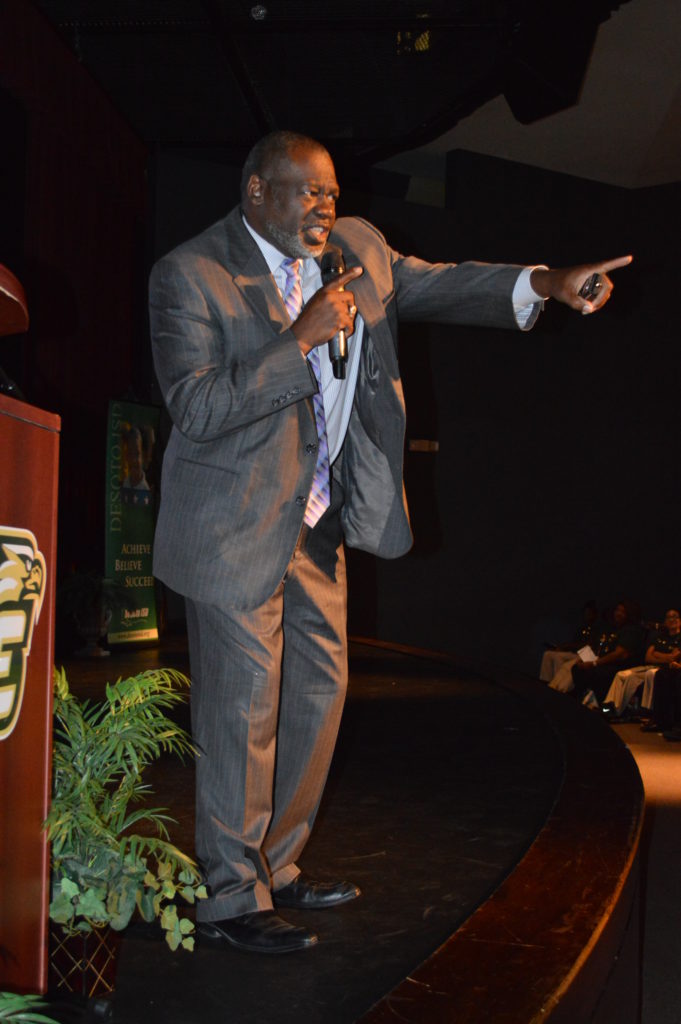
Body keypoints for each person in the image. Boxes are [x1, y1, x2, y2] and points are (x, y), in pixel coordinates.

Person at [149, 130, 631, 954]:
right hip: (232, 527)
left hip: (319, 520)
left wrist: (546, 283)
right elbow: (195, 408)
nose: (325, 206)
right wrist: (295, 339)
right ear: (255, 192)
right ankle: (230, 897)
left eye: (331, 191)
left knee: (315, 699)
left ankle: (279, 864)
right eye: (306, 192)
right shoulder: (190, 273)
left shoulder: (357, 249)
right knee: (242, 709)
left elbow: (439, 284)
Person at [602, 609, 681, 718]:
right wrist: (666, 657)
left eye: (675, 617)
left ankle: (642, 712)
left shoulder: (679, 637)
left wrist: (657, 654)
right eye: (669, 617)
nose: (672, 620)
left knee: (650, 674)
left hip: (665, 669)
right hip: (651, 666)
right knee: (622, 675)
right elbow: (648, 657)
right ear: (665, 621)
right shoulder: (660, 637)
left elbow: (675, 657)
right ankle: (610, 706)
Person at [571, 600, 646, 707]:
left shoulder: (631, 630)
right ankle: (583, 698)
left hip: (621, 666)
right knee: (577, 668)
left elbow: (619, 654)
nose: (618, 613)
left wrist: (594, 663)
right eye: (617, 610)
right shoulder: (614, 629)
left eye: (623, 612)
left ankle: (601, 704)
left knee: (596, 672)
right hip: (606, 662)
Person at [539, 600, 600, 691]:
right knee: (548, 654)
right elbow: (575, 643)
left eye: (589, 613)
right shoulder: (582, 628)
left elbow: (586, 646)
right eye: (586, 613)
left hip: (586, 656)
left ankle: (557, 687)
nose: (587, 615)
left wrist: (567, 646)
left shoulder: (597, 629)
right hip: (575, 653)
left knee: (560, 659)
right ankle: (546, 681)